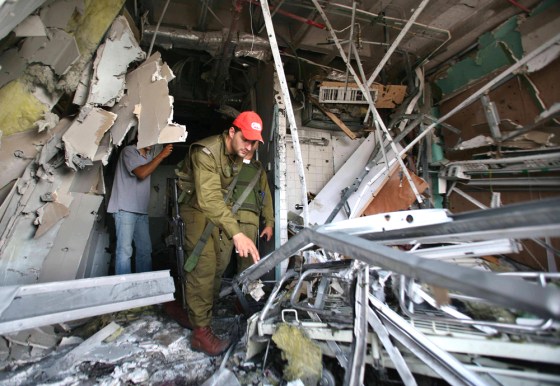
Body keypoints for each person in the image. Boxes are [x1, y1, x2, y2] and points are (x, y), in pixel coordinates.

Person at [178, 111, 264, 356]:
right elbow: (210, 199)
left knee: (218, 264)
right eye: (245, 139)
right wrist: (237, 232)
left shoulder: (239, 155)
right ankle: (200, 334)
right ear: (232, 132)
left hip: (215, 211)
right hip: (196, 208)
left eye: (254, 142)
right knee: (203, 267)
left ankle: (200, 312)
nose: (249, 147)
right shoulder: (204, 153)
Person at [107, 142, 173, 275]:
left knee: (145, 251)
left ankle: (143, 287)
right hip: (125, 209)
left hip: (141, 211)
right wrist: (161, 155)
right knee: (125, 251)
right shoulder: (129, 151)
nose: (153, 143)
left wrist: (160, 154)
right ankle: (124, 288)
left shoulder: (148, 157)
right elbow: (141, 173)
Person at [230, 142, 274, 274]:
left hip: (249, 220)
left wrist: (269, 223)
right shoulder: (228, 163)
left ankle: (245, 293)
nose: (249, 145)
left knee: (247, 264)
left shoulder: (258, 169)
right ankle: (216, 293)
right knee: (219, 262)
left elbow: (266, 197)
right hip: (226, 218)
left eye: (253, 142)